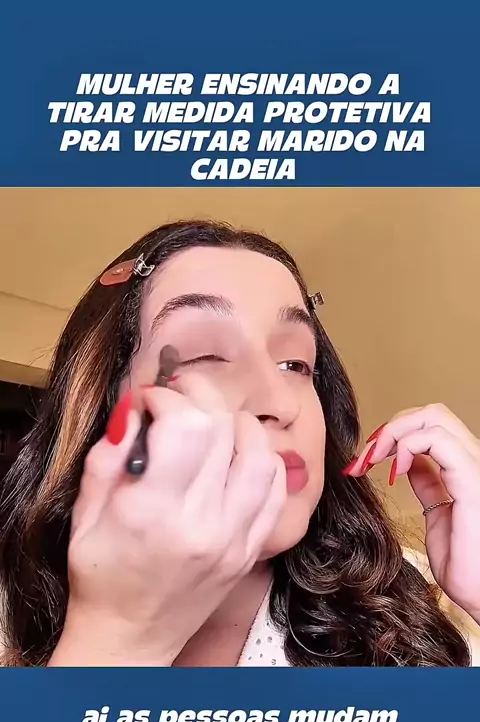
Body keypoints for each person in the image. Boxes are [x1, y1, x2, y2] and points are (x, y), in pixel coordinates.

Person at [1, 219, 479, 668]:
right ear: (101, 409)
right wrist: (114, 638)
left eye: (295, 365)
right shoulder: (10, 614)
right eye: (205, 356)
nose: (280, 403)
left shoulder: (417, 599)